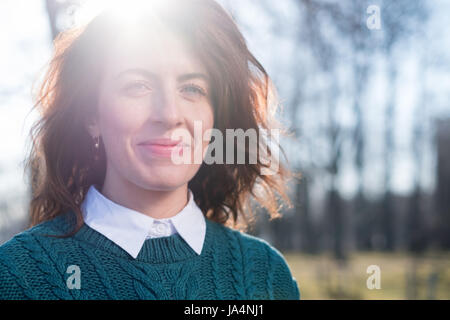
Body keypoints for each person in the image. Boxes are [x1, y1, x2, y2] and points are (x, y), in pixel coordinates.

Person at [0, 0, 300, 300]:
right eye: (138, 86)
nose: (169, 115)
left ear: (216, 118)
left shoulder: (267, 274)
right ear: (92, 116)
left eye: (192, 89)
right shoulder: (19, 276)